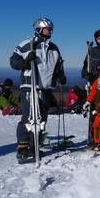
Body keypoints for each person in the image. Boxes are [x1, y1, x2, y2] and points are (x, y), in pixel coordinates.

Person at [10, 17, 67, 163]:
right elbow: (13, 62)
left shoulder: (54, 48)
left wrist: (61, 76)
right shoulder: (27, 44)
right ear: (39, 29)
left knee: (41, 119)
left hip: (46, 88)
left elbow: (58, 65)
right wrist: (25, 61)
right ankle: (22, 148)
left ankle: (34, 146)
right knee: (29, 118)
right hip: (30, 86)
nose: (50, 32)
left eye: (51, 29)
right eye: (48, 29)